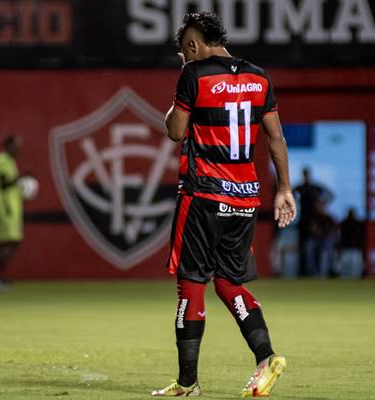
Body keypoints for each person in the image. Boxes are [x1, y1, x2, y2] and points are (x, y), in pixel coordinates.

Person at [152, 12, 296, 398]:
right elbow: (276, 138)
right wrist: (284, 188)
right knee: (229, 282)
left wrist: (181, 87)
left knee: (191, 283)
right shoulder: (258, 76)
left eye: (185, 50)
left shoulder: (193, 75)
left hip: (202, 194)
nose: (185, 57)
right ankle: (266, 358)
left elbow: (175, 130)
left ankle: (187, 383)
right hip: (245, 197)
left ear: (194, 45)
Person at [0, 135, 24, 292]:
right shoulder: (1, 160)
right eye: (16, 145)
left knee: (7, 243)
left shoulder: (10, 161)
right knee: (11, 242)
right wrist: (20, 178)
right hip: (6, 209)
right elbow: (4, 183)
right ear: (9, 145)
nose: (19, 148)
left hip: (12, 208)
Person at [293, 167, 333, 276]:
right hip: (304, 221)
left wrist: (323, 203)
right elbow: (289, 194)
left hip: (316, 220)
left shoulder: (315, 188)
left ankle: (319, 272)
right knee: (303, 249)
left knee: (319, 249)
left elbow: (330, 194)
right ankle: (304, 272)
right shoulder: (300, 188)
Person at [339, 208, 365, 279]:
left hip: (355, 248)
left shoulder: (358, 224)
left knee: (355, 266)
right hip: (346, 248)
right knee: (346, 266)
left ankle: (356, 277)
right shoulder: (343, 223)